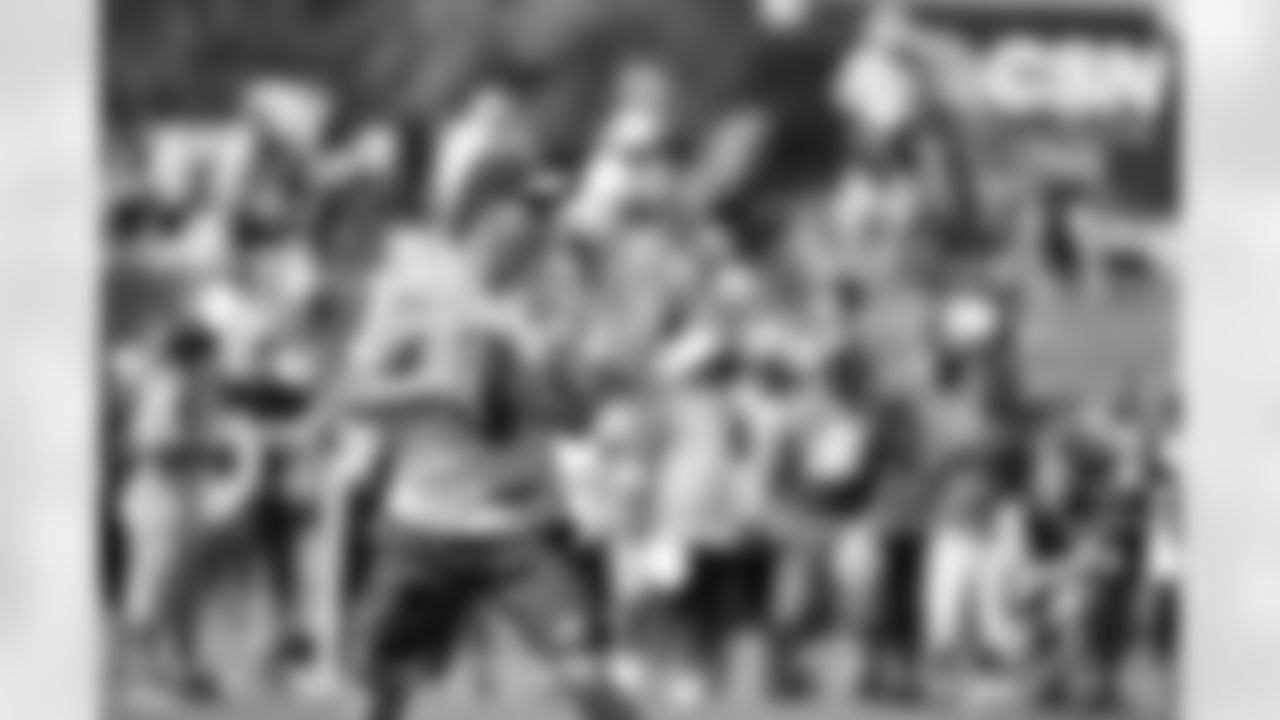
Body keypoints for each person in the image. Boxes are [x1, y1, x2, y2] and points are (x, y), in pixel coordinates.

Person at [344, 231, 640, 720]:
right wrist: (433, 388)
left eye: (522, 232)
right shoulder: (412, 303)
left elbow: (579, 420)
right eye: (495, 229)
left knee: (586, 673)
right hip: (423, 526)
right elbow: (353, 397)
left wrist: (539, 388)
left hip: (523, 527)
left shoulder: (546, 312)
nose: (508, 244)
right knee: (378, 688)